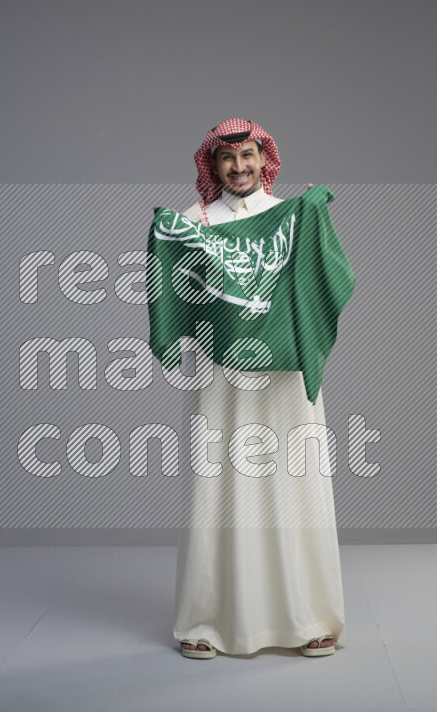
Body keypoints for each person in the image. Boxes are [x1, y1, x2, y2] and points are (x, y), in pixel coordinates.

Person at [172, 118, 346, 659]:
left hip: (284, 377)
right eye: (227, 158)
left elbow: (323, 282)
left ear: (263, 158)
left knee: (293, 480)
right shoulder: (192, 221)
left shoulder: (289, 218)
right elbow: (177, 294)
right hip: (220, 377)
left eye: (248, 155)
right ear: (212, 165)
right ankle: (206, 621)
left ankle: (310, 617)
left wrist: (313, 216)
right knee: (218, 486)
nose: (239, 167)